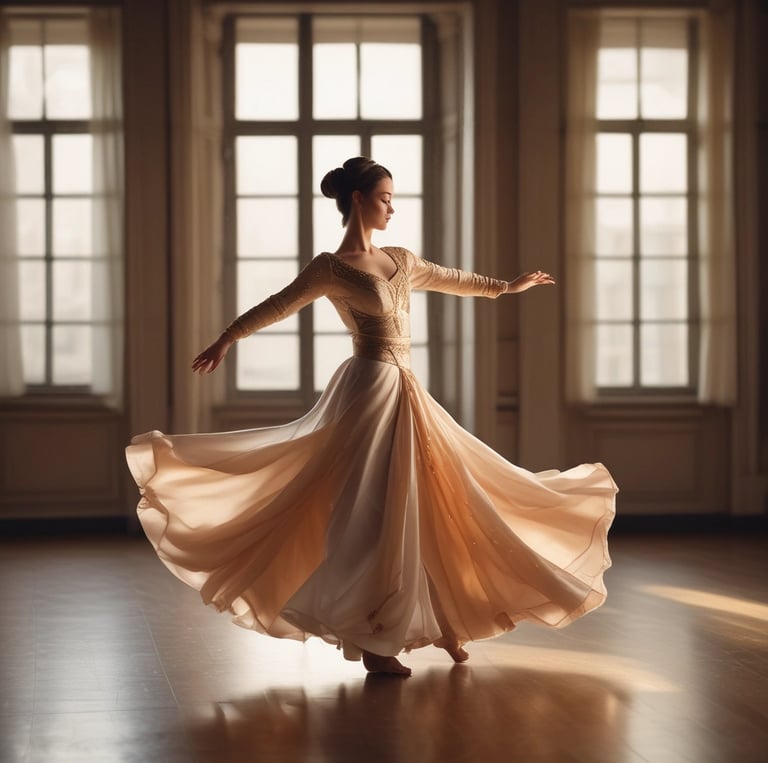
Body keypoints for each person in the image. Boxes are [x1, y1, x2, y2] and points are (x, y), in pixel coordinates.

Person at [126, 157, 617, 678]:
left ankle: (445, 622)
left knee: (437, 501)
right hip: (367, 391)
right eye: (384, 197)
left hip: (406, 391)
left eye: (392, 197)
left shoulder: (402, 259)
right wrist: (227, 338)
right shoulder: (330, 268)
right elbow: (278, 305)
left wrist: (506, 287)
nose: (391, 206)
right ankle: (379, 639)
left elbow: (455, 278)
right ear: (358, 199)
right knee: (377, 514)